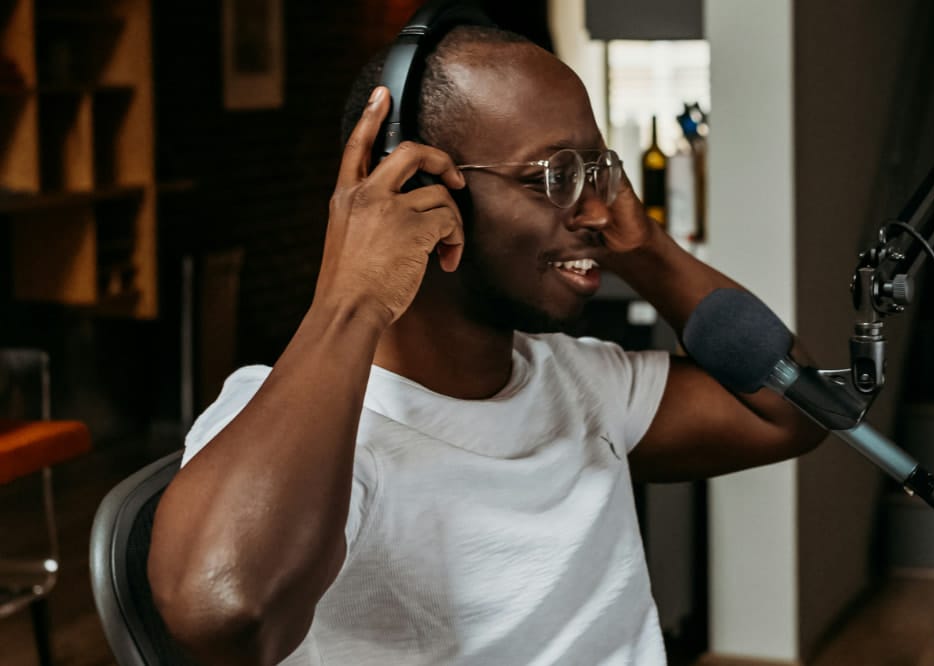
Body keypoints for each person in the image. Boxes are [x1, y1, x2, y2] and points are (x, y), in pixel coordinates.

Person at [148, 23, 826, 666]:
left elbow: (796, 408)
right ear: (421, 191)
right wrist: (350, 297)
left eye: (596, 172)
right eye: (553, 175)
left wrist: (644, 245)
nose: (594, 210)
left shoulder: (584, 382)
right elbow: (226, 617)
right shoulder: (292, 423)